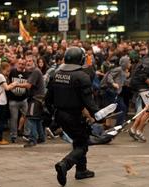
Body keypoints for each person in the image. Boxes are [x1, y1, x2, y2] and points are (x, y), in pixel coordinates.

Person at [45, 47, 99, 186]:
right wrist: (99, 115)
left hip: (59, 115)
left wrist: (54, 114)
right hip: (74, 116)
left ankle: (81, 170)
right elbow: (89, 102)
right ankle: (65, 164)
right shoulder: (82, 76)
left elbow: (47, 100)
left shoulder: (55, 74)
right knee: (83, 144)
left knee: (79, 139)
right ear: (80, 59)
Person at [16, 55, 46, 147]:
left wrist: (15, 84)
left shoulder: (35, 71)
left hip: (36, 99)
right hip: (38, 99)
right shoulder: (33, 71)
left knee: (31, 118)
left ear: (34, 62)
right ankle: (41, 137)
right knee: (37, 119)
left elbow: (28, 85)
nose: (28, 63)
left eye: (30, 61)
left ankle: (32, 140)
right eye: (27, 61)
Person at [100, 56, 131, 126]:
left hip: (115, 92)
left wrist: (129, 81)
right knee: (119, 107)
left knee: (120, 108)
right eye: (129, 62)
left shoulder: (123, 71)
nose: (130, 64)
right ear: (125, 63)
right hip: (111, 92)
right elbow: (109, 76)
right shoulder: (119, 69)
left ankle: (115, 124)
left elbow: (123, 82)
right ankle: (117, 125)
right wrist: (113, 83)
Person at [8, 58, 29, 143]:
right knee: (14, 118)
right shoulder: (12, 72)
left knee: (27, 116)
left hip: (24, 99)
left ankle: (26, 133)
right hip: (13, 99)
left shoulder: (27, 73)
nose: (21, 65)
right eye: (19, 64)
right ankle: (13, 135)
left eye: (23, 64)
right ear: (17, 64)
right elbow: (7, 81)